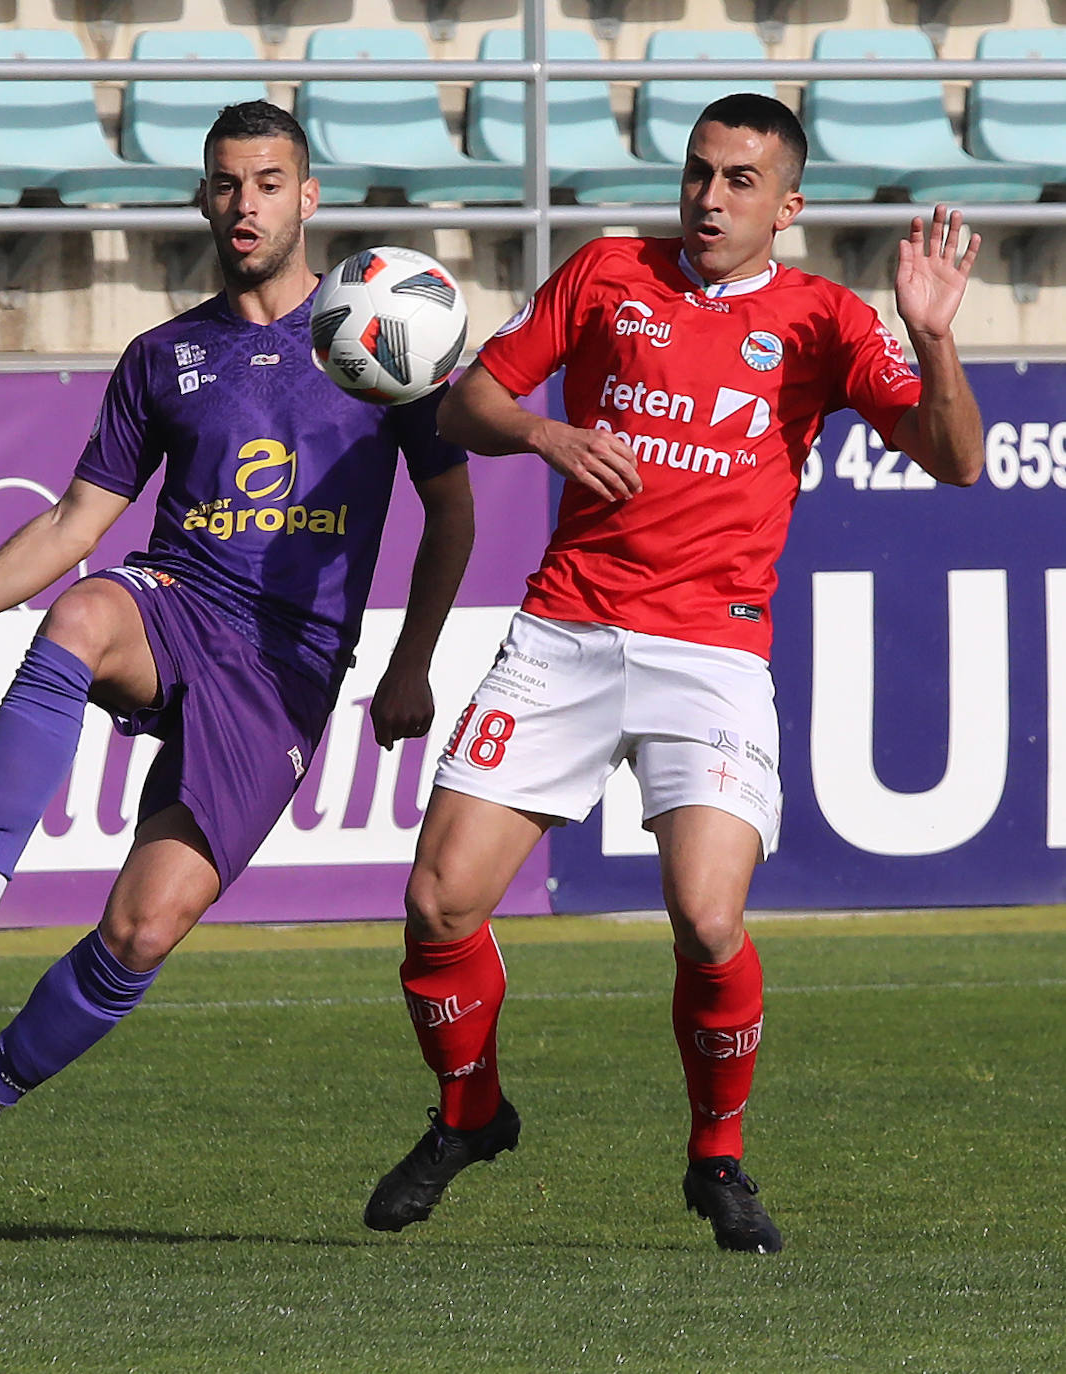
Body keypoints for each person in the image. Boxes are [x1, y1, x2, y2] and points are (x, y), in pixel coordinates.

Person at [362, 93, 983, 1254]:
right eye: (699, 172)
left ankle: (717, 1159)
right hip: (563, 629)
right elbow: (467, 400)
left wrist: (932, 336)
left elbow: (955, 461)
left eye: (740, 181)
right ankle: (469, 1114)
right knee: (438, 901)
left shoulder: (825, 320)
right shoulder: (603, 273)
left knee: (706, 917)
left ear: (786, 207)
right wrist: (548, 435)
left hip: (710, 650)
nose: (709, 197)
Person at [0, 101, 473, 1245]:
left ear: (309, 198)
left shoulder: (387, 347)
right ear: (202, 196)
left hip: (287, 672)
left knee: (141, 932)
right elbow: (73, 523)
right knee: (87, 606)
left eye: (269, 183)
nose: (246, 205)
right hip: (178, 604)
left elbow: (450, 515)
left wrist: (410, 663)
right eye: (228, 184)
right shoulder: (165, 358)